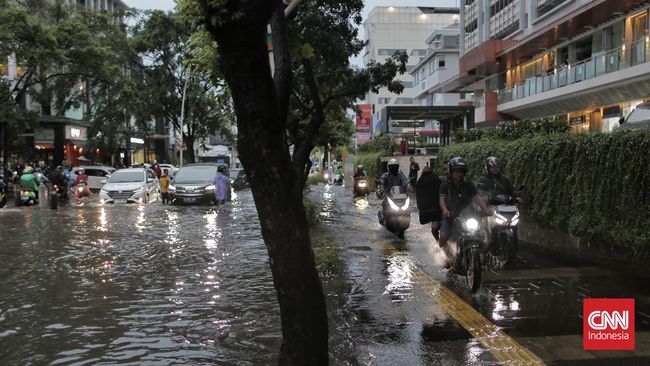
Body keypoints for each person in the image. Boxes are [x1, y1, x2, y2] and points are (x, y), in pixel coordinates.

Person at [438, 157, 492, 249]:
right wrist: (445, 210)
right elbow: (442, 199)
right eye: (456, 171)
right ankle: (441, 253)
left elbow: (478, 198)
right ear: (451, 172)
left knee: (481, 234)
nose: (459, 174)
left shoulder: (469, 185)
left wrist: (486, 210)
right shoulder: (445, 185)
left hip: (467, 215)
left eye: (461, 171)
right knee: (443, 236)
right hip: (451, 216)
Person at [416, 165, 442, 240]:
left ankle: (437, 241)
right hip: (437, 210)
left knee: (434, 227)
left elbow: (418, 199)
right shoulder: (436, 179)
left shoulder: (420, 181)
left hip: (425, 212)